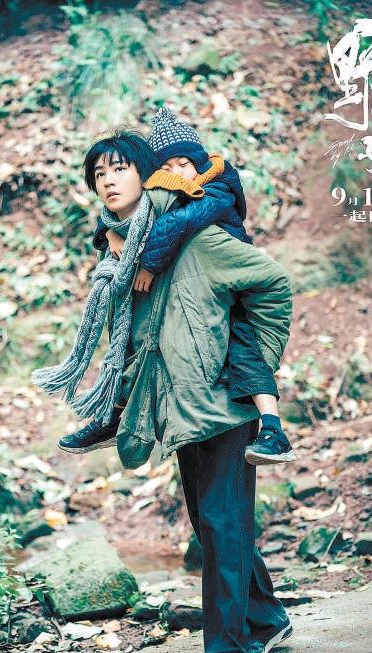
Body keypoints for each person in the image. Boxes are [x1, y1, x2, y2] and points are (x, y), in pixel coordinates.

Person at [33, 129, 293, 653]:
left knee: (221, 523)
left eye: (119, 168)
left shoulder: (198, 240)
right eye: (98, 174)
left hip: (224, 407)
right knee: (212, 524)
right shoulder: (122, 251)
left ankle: (228, 651)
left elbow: (273, 284)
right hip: (179, 410)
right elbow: (135, 340)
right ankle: (267, 618)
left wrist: (250, 363)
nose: (108, 181)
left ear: (148, 174)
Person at [59, 109, 295, 466]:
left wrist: (150, 264)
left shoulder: (212, 192)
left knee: (245, 353)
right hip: (183, 395)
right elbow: (142, 220)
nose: (176, 174)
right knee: (130, 344)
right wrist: (107, 233)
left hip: (229, 300)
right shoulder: (144, 223)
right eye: (166, 168)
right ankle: (113, 415)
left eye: (183, 165)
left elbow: (177, 224)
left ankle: (274, 430)